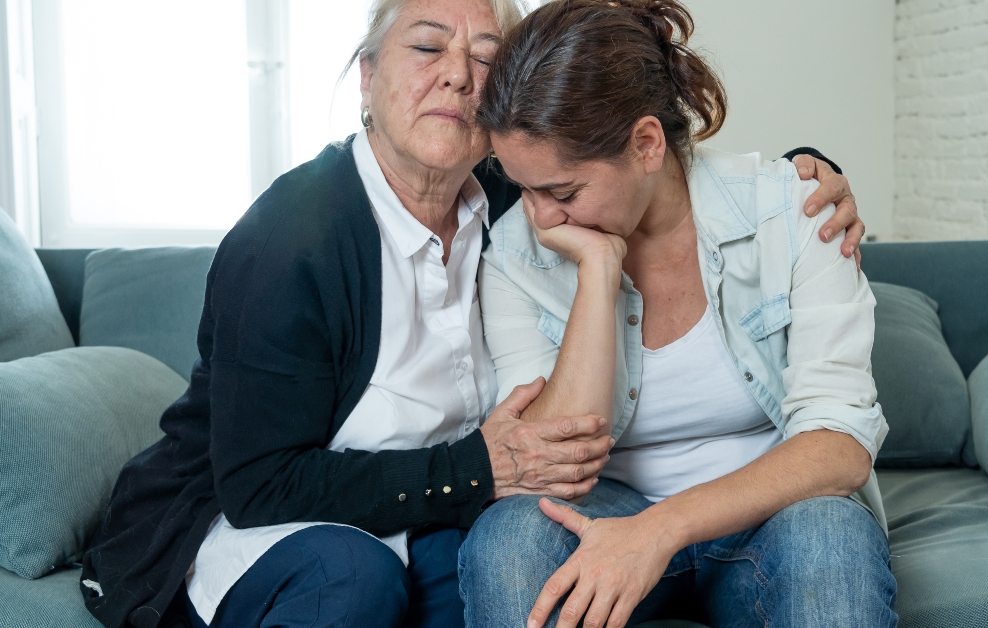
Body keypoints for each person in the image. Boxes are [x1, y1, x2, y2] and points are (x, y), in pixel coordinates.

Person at [80, 0, 867, 626]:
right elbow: (260, 484)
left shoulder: (504, 200)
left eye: (486, 57)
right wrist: (481, 467)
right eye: (426, 47)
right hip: (290, 516)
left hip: (437, 515)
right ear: (365, 76)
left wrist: (813, 175)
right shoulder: (297, 237)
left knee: (481, 558)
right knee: (405, 573)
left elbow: (624, 166)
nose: (459, 76)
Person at [460, 1, 897, 627]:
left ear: (645, 144)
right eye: (522, 188)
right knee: (509, 541)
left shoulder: (793, 211)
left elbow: (839, 446)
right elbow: (551, 466)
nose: (539, 218)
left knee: (831, 542)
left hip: (771, 514)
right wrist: (598, 272)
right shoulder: (514, 255)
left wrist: (657, 530)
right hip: (604, 507)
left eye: (562, 192)